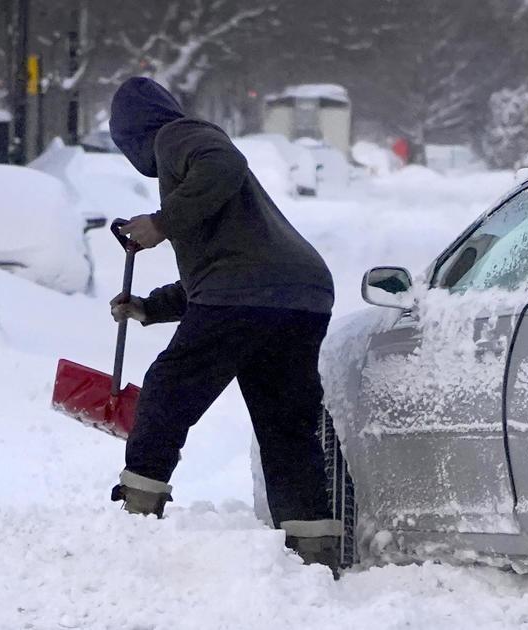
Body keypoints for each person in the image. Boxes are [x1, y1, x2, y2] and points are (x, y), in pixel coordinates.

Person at [106, 77, 341, 572]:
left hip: (250, 293)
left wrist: (161, 222)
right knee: (284, 424)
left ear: (131, 133)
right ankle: (314, 550)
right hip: (301, 295)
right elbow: (221, 270)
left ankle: (135, 519)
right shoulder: (192, 169)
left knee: (168, 389)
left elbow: (225, 163)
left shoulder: (178, 135)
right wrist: (149, 307)